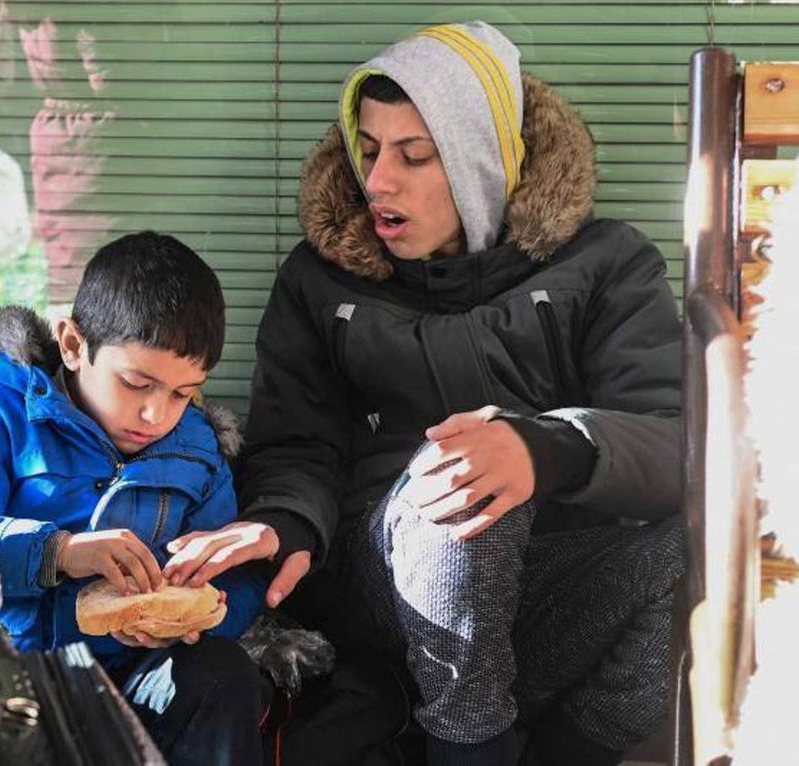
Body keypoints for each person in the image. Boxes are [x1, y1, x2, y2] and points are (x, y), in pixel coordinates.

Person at [163, 21, 683, 766]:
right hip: (387, 598)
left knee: (702, 543)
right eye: (369, 150)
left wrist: (548, 446)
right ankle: (467, 748)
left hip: (552, 585)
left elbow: (679, 444)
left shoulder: (607, 264)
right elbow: (296, 445)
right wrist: (285, 521)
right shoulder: (319, 282)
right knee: (459, 477)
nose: (378, 181)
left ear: (484, 161)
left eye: (414, 155)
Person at [0, 230, 265, 765]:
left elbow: (236, 578)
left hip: (142, 672)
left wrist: (191, 619)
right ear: (73, 345)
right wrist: (60, 552)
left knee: (223, 675)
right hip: (23, 668)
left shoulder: (197, 448)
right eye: (137, 384)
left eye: (182, 393)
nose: (156, 415)